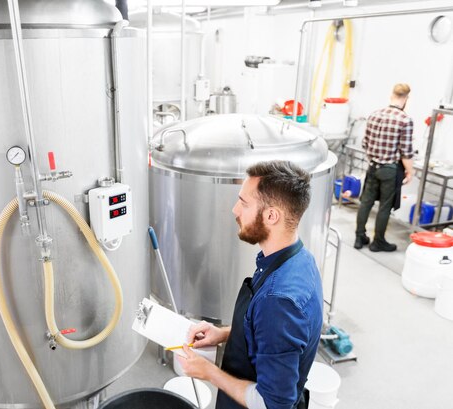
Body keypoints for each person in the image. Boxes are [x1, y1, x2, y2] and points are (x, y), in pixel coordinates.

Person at [176, 160, 323, 409]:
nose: (235, 210)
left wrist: (208, 372)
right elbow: (266, 335)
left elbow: (273, 403)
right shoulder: (298, 259)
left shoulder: (279, 301)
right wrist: (223, 334)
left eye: (244, 203)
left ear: (271, 215)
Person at [354, 83, 414, 252]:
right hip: (390, 170)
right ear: (406, 98)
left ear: (392, 95)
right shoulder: (405, 120)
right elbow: (406, 151)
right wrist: (410, 171)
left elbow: (365, 143)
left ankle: (359, 237)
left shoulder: (375, 114)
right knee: (385, 206)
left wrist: (374, 156)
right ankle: (378, 241)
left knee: (365, 202)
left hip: (372, 167)